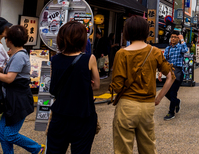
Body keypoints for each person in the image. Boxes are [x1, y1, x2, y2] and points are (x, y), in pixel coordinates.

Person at [110, 16, 174, 154]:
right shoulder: (155, 51)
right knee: (148, 147)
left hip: (126, 105)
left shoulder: (121, 54)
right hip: (147, 106)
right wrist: (158, 98)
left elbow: (117, 86)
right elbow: (170, 77)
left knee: (123, 149)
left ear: (127, 32)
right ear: (146, 31)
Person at [47, 21, 100, 153]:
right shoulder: (89, 58)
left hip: (60, 116)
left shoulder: (55, 59)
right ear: (82, 39)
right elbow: (97, 85)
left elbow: (52, 88)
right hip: (83, 116)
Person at [0, 25, 45, 154]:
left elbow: (9, 78)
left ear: (10, 40)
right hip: (13, 100)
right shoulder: (16, 54)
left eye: (6, 37)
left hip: (18, 102)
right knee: (2, 135)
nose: (4, 39)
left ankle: (37, 148)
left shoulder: (19, 56)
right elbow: (9, 72)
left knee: (9, 135)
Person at [161, 31, 189, 120]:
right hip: (169, 74)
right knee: (165, 92)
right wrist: (161, 72)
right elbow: (164, 61)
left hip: (177, 74)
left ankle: (171, 112)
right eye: (172, 37)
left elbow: (185, 50)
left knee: (173, 93)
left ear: (178, 38)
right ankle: (176, 102)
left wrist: (182, 40)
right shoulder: (168, 48)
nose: (173, 38)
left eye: (175, 37)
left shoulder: (180, 47)